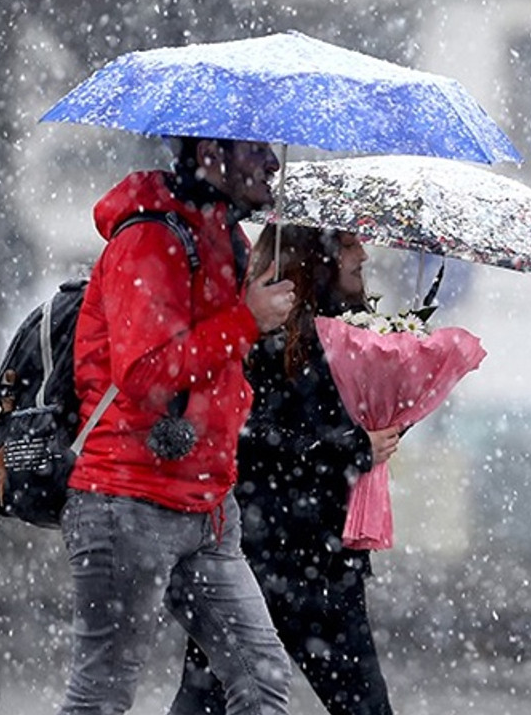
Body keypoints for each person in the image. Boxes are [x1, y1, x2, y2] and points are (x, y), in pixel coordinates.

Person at [60, 137, 297, 714]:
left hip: (209, 505)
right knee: (102, 694)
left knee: (261, 679)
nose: (272, 162)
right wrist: (246, 319)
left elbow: (220, 364)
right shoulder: (150, 238)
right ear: (211, 152)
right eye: (254, 149)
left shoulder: (225, 238)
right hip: (127, 499)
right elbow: (145, 371)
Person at [170, 224, 403, 715]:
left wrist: (391, 417)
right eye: (347, 243)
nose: (362, 253)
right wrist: (349, 448)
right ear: (314, 256)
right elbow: (250, 436)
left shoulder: (355, 334)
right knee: (207, 702)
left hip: (326, 561)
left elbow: (344, 435)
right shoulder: (262, 334)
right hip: (257, 557)